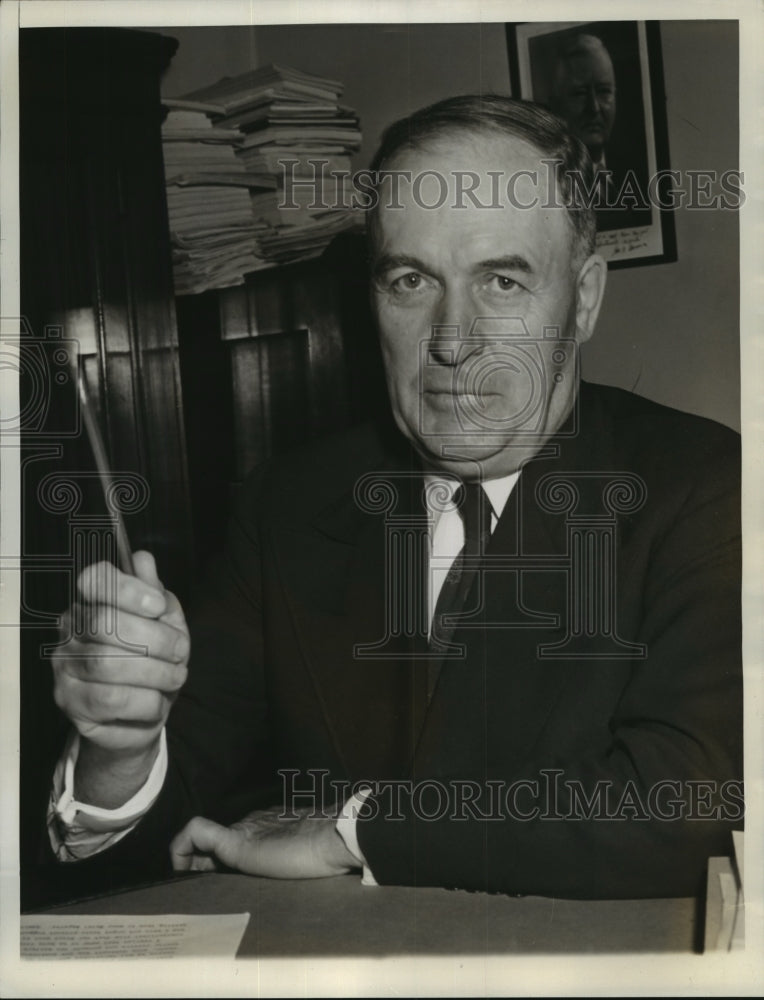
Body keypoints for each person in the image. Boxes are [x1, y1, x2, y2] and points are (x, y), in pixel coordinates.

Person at [46, 95, 742, 900]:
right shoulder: (289, 503)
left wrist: (354, 832)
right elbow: (162, 821)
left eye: (502, 281)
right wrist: (119, 747)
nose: (451, 340)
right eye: (411, 280)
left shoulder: (703, 486)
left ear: (582, 300)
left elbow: (693, 803)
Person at [546, 33, 652, 230]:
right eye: (579, 93)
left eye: (604, 91)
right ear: (555, 104)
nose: (594, 108)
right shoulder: (547, 187)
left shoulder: (643, 173)